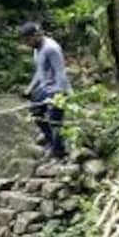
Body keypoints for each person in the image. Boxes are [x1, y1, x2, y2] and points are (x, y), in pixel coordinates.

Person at [20, 22, 71, 159]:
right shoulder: (37, 49)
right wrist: (30, 88)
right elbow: (40, 71)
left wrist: (58, 95)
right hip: (45, 88)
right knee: (35, 112)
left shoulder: (51, 48)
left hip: (57, 89)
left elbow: (61, 73)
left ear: (36, 36)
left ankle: (60, 152)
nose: (27, 44)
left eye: (28, 40)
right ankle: (51, 142)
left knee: (55, 121)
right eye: (25, 41)